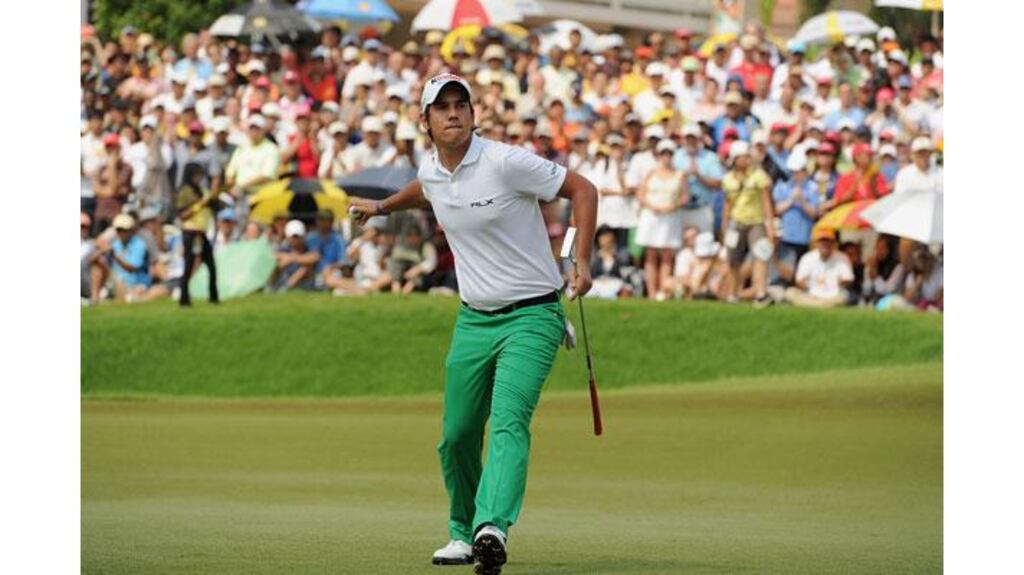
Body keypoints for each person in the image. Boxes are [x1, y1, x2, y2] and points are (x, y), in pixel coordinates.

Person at [348, 73, 597, 572]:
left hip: (533, 315)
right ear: (427, 121)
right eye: (442, 108)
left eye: (461, 104)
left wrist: (580, 259)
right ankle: (461, 532)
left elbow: (582, 189)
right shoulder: (434, 171)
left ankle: (491, 528)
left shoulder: (505, 162)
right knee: (458, 434)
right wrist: (380, 206)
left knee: (508, 422)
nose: (454, 113)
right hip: (473, 320)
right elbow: (427, 191)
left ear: (473, 114)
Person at [721, 141, 774, 307]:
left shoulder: (758, 176)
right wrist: (724, 224)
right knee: (733, 259)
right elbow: (728, 204)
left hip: (756, 222)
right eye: (743, 157)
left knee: (760, 255)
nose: (747, 160)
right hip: (736, 222)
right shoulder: (728, 179)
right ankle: (733, 293)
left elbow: (766, 202)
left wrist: (769, 224)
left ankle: (761, 293)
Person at [635, 139, 688, 300]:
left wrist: (672, 206)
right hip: (651, 216)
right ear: (658, 155)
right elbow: (641, 194)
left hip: (670, 217)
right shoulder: (651, 172)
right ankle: (651, 292)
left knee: (666, 254)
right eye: (663, 153)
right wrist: (652, 206)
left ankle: (662, 291)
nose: (666, 157)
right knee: (650, 254)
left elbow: (684, 197)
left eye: (669, 154)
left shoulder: (679, 174)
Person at [772, 152, 820, 283]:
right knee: (786, 269)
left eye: (798, 171)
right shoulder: (782, 186)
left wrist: (803, 201)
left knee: (801, 270)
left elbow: (814, 213)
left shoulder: (812, 188)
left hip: (805, 236)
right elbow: (777, 210)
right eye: (793, 172)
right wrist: (791, 200)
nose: (795, 175)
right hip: (787, 235)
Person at [176, 163, 219, 306]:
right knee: (188, 266)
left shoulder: (202, 190)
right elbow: (182, 215)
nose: (199, 178)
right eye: (196, 175)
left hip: (202, 231)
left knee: (211, 266)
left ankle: (213, 297)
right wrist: (199, 205)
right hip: (190, 232)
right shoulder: (185, 192)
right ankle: (184, 298)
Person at [673, 124, 723, 234]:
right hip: (680, 210)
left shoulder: (710, 157)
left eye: (693, 138)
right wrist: (683, 176)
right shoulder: (675, 156)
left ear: (699, 139)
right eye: (687, 138)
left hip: (702, 209)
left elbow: (718, 184)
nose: (690, 141)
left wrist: (698, 176)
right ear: (682, 139)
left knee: (704, 247)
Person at [784, 228, 853, 308]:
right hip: (811, 295)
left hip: (833, 296)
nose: (825, 244)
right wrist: (804, 284)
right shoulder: (807, 258)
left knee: (846, 296)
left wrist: (843, 282)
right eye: (822, 241)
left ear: (834, 244)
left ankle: (817, 305)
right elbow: (799, 281)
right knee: (790, 292)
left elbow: (848, 280)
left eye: (828, 241)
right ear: (816, 244)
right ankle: (822, 305)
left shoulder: (842, 258)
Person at [386, 225, 438, 294]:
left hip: (424, 277)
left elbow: (432, 263)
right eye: (410, 235)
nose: (413, 238)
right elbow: (395, 260)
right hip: (404, 274)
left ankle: (404, 293)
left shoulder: (427, 246)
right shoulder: (403, 246)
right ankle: (396, 293)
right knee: (396, 270)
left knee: (416, 277)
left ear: (420, 236)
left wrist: (418, 269)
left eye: (415, 235)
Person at [305, 210, 347, 291]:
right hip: (313, 273)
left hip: (333, 272)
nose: (323, 223)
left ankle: (360, 289)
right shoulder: (311, 238)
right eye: (320, 219)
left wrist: (330, 267)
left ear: (331, 222)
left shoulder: (338, 239)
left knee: (330, 280)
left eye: (326, 220)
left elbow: (343, 261)